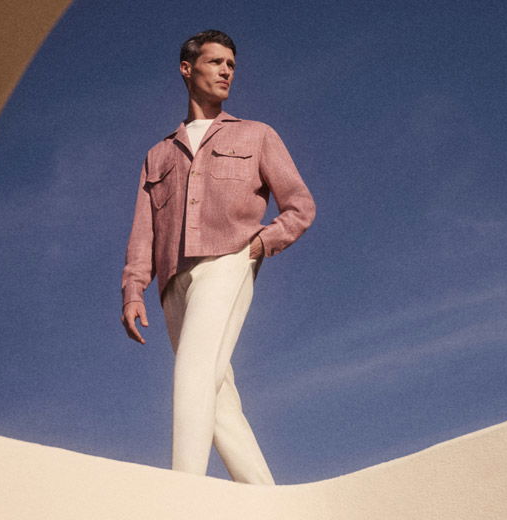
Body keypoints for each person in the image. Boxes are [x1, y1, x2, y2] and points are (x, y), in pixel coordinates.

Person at [119, 29, 315, 484]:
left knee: (191, 372)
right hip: (172, 285)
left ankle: (183, 495)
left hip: (228, 260)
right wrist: (133, 289)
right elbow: (142, 231)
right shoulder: (158, 155)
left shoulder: (257, 135)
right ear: (187, 69)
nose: (227, 71)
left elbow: (300, 206)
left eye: (231, 64)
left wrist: (258, 246)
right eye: (216, 62)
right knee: (217, 396)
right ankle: (268, 504)